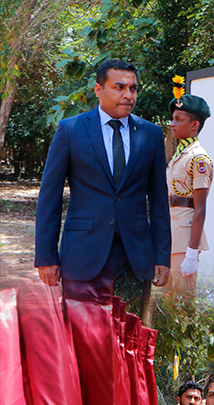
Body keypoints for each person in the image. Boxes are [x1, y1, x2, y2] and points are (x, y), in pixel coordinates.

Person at [34, 59, 170, 306]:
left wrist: (162, 257)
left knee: (131, 340)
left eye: (133, 88)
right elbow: (49, 198)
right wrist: (46, 257)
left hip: (135, 258)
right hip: (83, 255)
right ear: (99, 90)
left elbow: (160, 200)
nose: (128, 95)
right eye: (119, 87)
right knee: (82, 339)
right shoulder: (70, 130)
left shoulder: (151, 134)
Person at [166, 84, 212, 298]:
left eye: (178, 119)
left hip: (185, 236)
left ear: (194, 125)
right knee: (167, 299)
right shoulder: (179, 154)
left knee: (182, 302)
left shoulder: (198, 157)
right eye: (173, 118)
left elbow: (200, 208)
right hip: (171, 230)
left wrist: (192, 254)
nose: (172, 124)